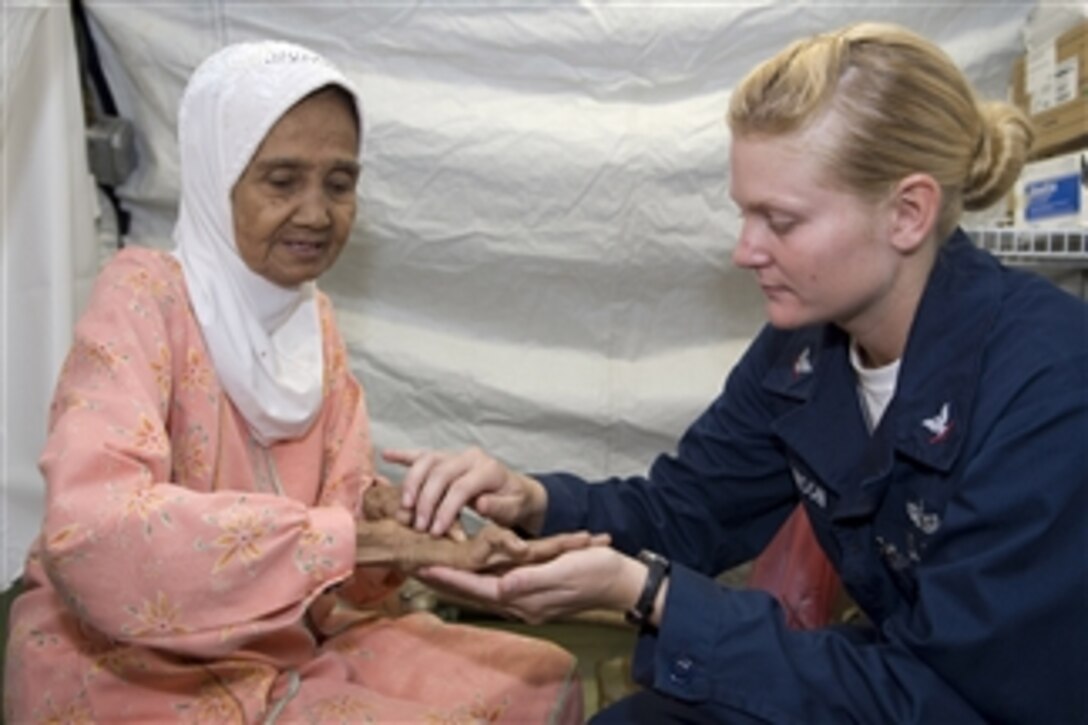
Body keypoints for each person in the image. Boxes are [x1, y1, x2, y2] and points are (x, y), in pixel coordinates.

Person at [386, 22, 1088, 724]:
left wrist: (650, 593)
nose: (745, 251)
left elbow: (953, 696)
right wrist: (534, 499)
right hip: (900, 670)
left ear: (907, 212)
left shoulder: (1051, 384)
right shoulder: (806, 349)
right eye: (744, 213)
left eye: (779, 220)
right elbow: (683, 511)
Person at [4, 40, 599, 723]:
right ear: (214, 176)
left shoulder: (310, 322)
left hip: (285, 637)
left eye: (339, 183)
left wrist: (440, 538)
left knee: (536, 680)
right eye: (282, 180)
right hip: (132, 667)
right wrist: (361, 540)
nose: (317, 213)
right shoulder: (144, 298)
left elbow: (348, 549)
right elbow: (92, 534)